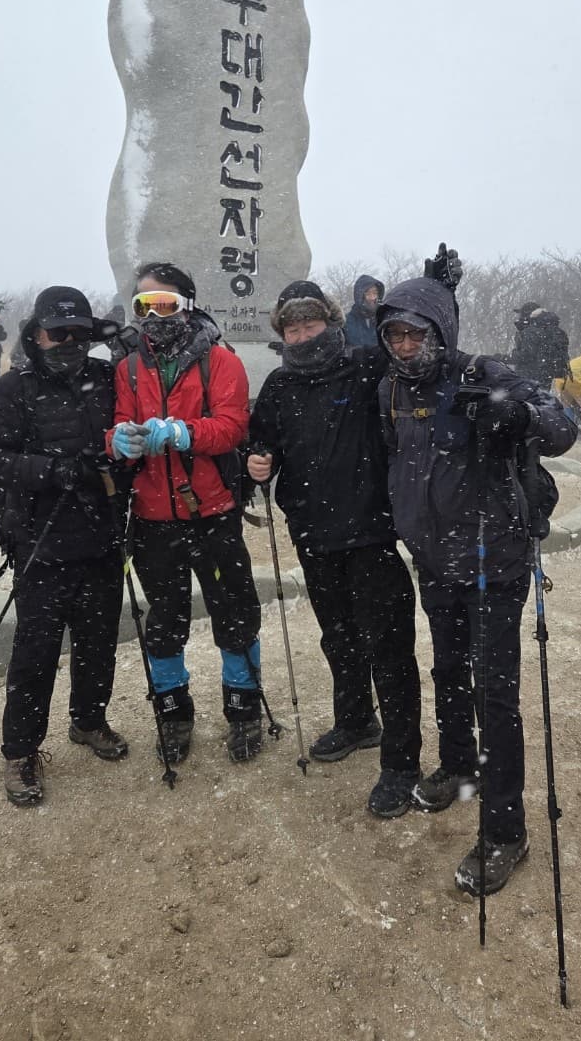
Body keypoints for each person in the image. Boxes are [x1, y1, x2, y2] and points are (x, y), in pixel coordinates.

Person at [377, 277, 577, 893]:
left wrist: (513, 410)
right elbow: (397, 459)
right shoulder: (389, 389)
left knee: (495, 694)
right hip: (435, 558)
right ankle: (458, 768)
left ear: (441, 331)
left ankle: (505, 830)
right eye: (396, 334)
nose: (407, 345)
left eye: (418, 332)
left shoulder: (486, 372)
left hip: (494, 560)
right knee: (446, 670)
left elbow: (560, 428)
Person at [247, 278, 422, 819]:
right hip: (313, 535)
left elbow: (419, 362)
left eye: (311, 324)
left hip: (370, 533)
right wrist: (254, 463)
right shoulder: (277, 385)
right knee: (338, 639)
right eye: (293, 328)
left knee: (389, 650)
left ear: (330, 322)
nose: (303, 336)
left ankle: (402, 762)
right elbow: (261, 443)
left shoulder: (369, 367)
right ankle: (354, 720)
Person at [0, 287, 129, 807]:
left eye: (79, 334)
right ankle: (20, 751)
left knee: (98, 640)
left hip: (102, 536)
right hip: (39, 541)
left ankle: (88, 720)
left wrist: (118, 462)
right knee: (36, 654)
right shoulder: (12, 387)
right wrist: (57, 470)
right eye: (57, 332)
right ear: (36, 334)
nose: (68, 342)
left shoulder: (108, 379)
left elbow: (129, 433)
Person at [106, 261, 263, 765]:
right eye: (143, 305)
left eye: (165, 303)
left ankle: (243, 710)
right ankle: (173, 712)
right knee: (166, 619)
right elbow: (116, 429)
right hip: (152, 515)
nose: (154, 315)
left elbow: (233, 427)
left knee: (234, 611)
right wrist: (120, 441)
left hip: (213, 509)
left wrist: (184, 431)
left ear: (188, 303)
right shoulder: (128, 367)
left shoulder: (220, 361)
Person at [511, 302, 570, 389]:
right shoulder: (547, 329)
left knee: (529, 400)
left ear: (526, 315)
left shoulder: (531, 331)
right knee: (542, 399)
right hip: (545, 377)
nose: (519, 317)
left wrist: (509, 355)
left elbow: (525, 356)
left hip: (529, 378)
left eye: (521, 314)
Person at [344, 275, 385, 349]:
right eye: (368, 293)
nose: (372, 298)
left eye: (375, 293)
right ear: (359, 296)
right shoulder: (347, 321)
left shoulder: (383, 319)